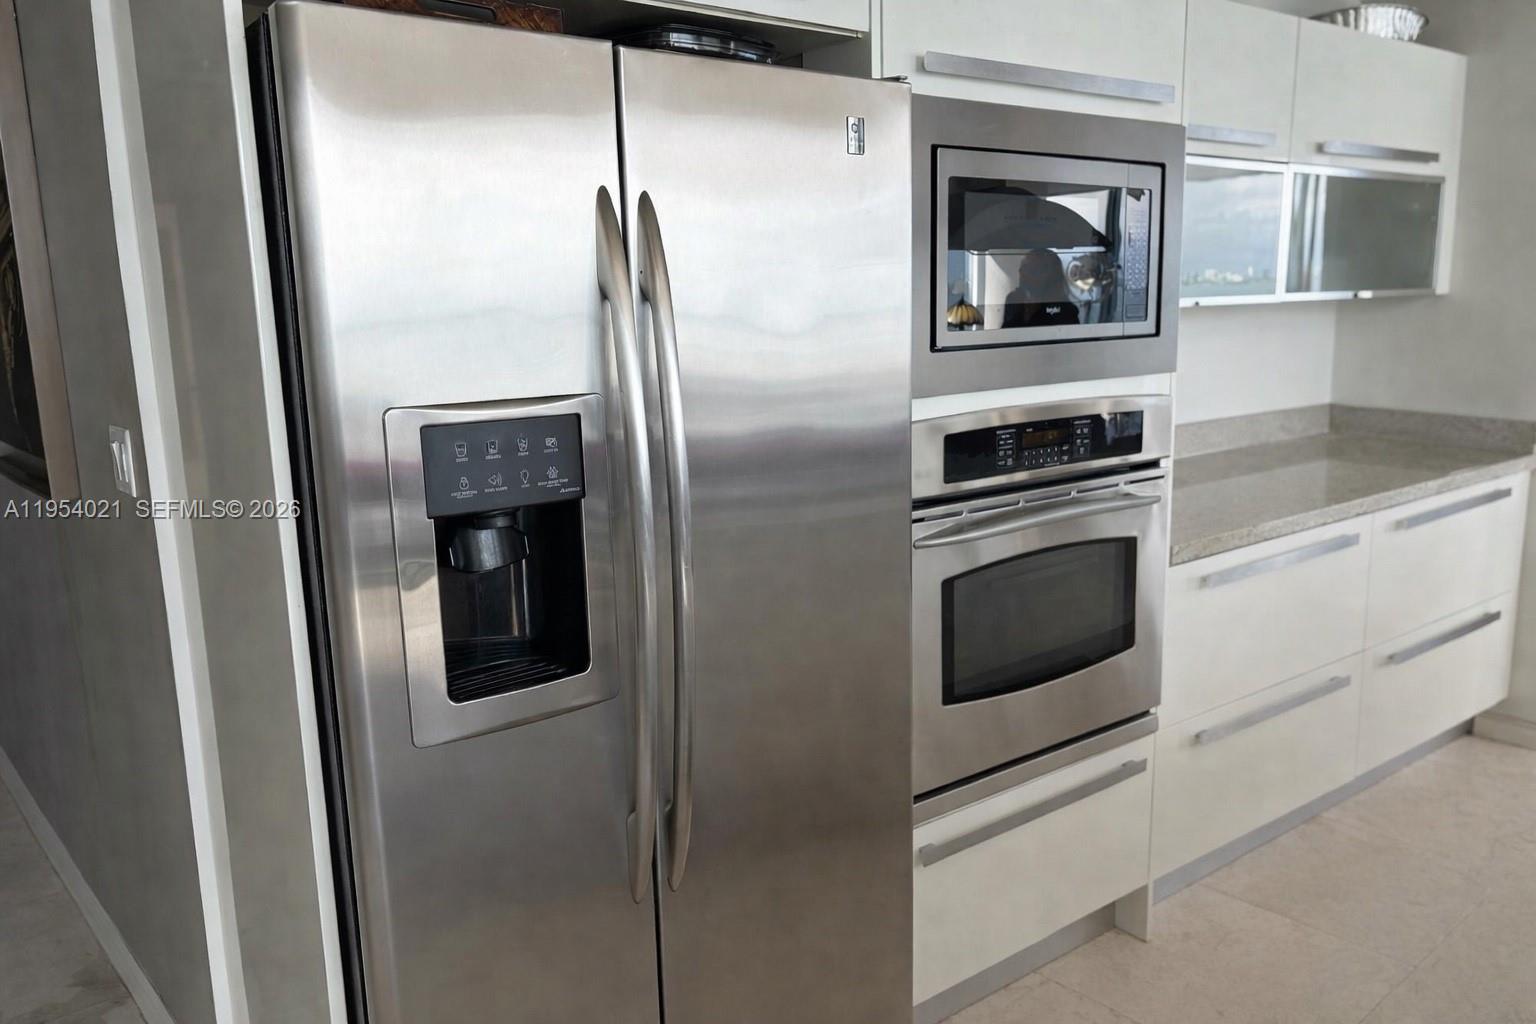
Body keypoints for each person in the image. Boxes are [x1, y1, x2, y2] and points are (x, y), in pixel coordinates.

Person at [1001, 248, 1081, 328]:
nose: (1021, 272)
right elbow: (1005, 333)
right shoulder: (1013, 299)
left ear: (1048, 275)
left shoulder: (1066, 311)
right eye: (1023, 266)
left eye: (1030, 268)